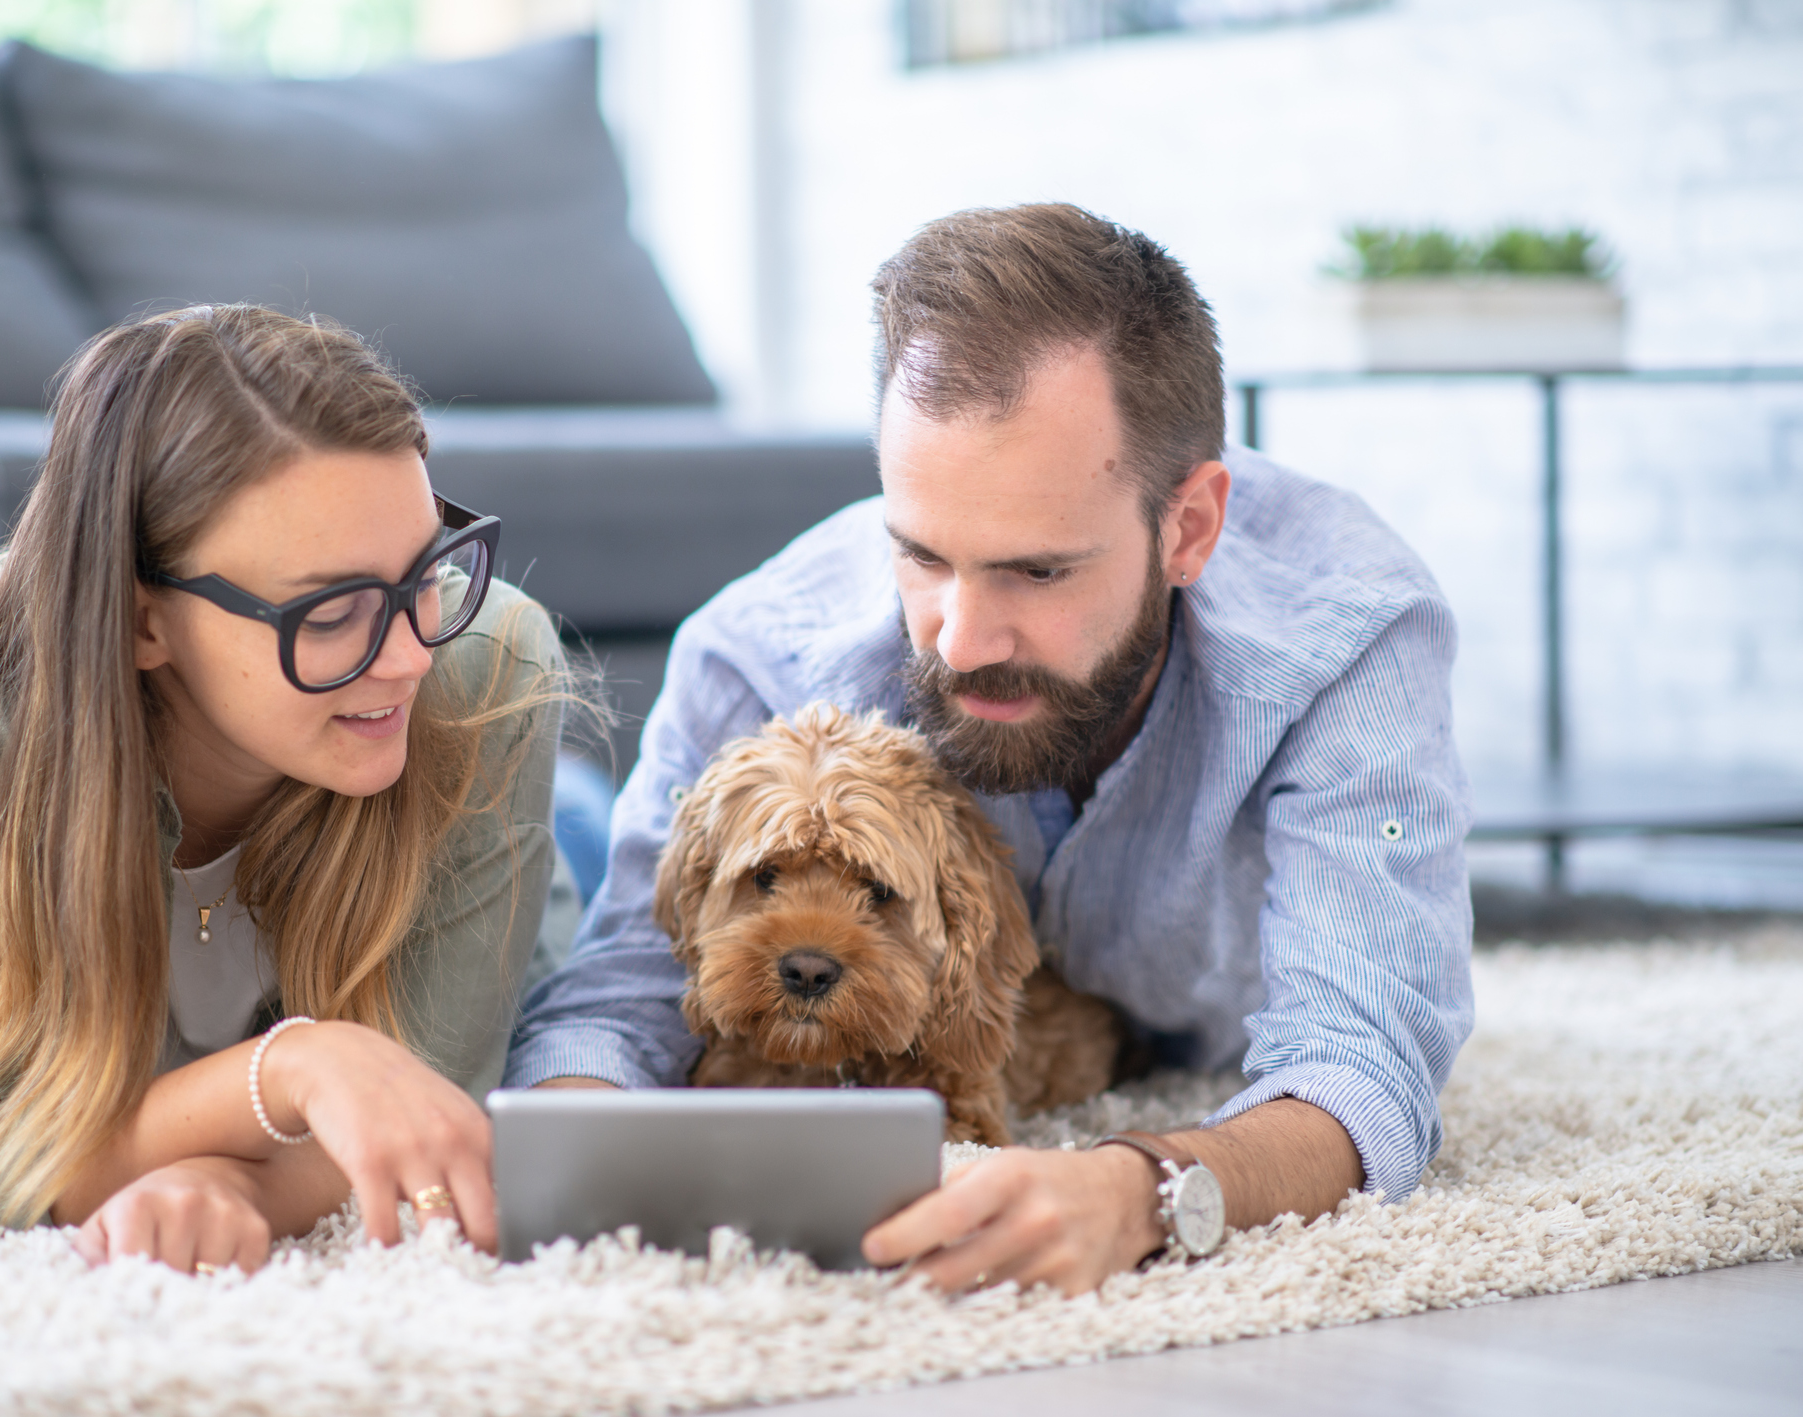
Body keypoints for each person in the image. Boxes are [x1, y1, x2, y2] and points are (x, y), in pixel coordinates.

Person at [507, 205, 1475, 1296]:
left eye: (1036, 571)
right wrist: (568, 1159)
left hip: (1187, 1032)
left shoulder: (1348, 635)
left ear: (1188, 529)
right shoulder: (755, 656)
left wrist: (1141, 1189)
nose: (959, 640)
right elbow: (622, 995)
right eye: (919, 555)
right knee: (573, 837)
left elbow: (1362, 1063)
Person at [0, 305, 566, 1274]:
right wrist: (296, 1068)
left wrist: (236, 1185)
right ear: (142, 620)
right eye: (331, 611)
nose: (407, 654)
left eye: (425, 573)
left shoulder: (480, 666)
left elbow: (428, 1101)